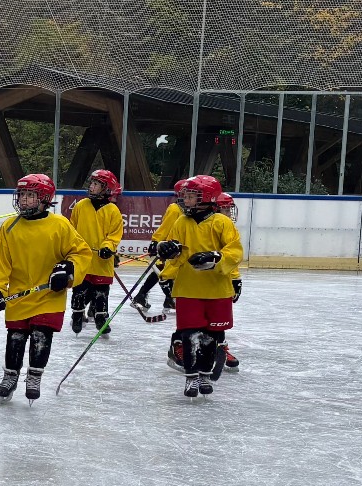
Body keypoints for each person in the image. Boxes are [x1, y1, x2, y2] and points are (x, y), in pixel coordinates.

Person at [0, 174, 92, 404]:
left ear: (44, 199)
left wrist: (68, 269)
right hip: (19, 296)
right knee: (16, 336)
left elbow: (80, 252)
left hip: (49, 295)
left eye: (30, 196)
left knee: (42, 334)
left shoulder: (59, 225)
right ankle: (10, 376)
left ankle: (34, 376)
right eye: (21, 195)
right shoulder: (9, 227)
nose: (23, 200)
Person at [156, 175, 243, 398]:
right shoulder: (181, 222)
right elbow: (177, 256)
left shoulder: (222, 223)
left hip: (217, 291)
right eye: (185, 195)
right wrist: (168, 253)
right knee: (189, 335)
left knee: (212, 335)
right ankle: (191, 377)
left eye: (191, 195)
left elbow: (235, 252)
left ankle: (205, 375)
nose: (185, 199)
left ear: (206, 197)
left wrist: (217, 257)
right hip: (188, 289)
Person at [68, 169, 124, 335]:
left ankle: (101, 317)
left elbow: (114, 235)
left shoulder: (113, 211)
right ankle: (77, 314)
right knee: (80, 290)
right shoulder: (80, 206)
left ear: (106, 188)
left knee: (101, 292)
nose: (91, 187)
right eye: (91, 183)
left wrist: (108, 247)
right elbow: (72, 229)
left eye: (96, 184)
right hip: (82, 260)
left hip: (101, 261)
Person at [133, 178, 186, 313]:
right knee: (164, 272)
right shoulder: (175, 209)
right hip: (169, 248)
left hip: (177, 248)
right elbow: (165, 227)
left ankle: (146, 297)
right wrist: (156, 242)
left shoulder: (187, 210)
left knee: (163, 272)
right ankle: (165, 299)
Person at [215, 191, 242, 372]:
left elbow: (232, 257)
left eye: (229, 209)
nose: (228, 213)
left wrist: (235, 279)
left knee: (219, 320)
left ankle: (220, 349)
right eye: (224, 209)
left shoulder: (228, 228)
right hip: (195, 282)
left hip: (220, 282)